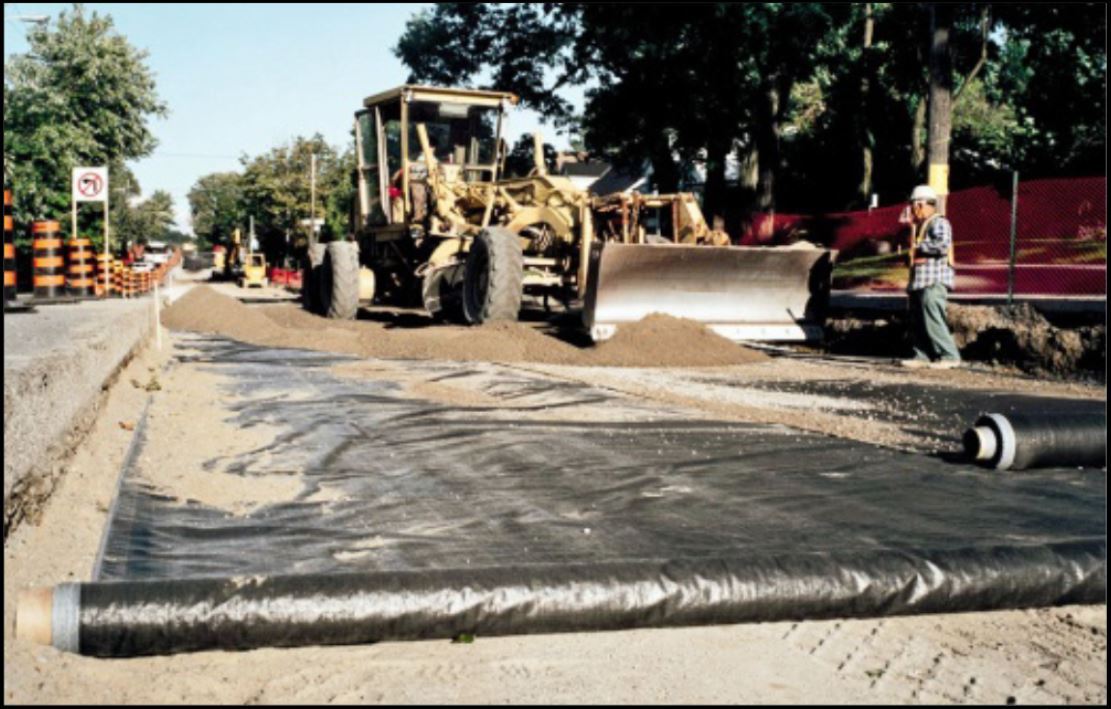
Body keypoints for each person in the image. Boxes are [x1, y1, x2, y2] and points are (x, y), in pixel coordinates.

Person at [900, 184, 961, 369]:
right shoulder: (921, 226)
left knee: (933, 318)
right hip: (920, 281)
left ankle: (949, 356)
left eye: (913, 206)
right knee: (919, 320)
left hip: (934, 281)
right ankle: (922, 355)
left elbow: (942, 245)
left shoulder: (939, 223)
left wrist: (919, 247)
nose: (912, 210)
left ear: (921, 204)